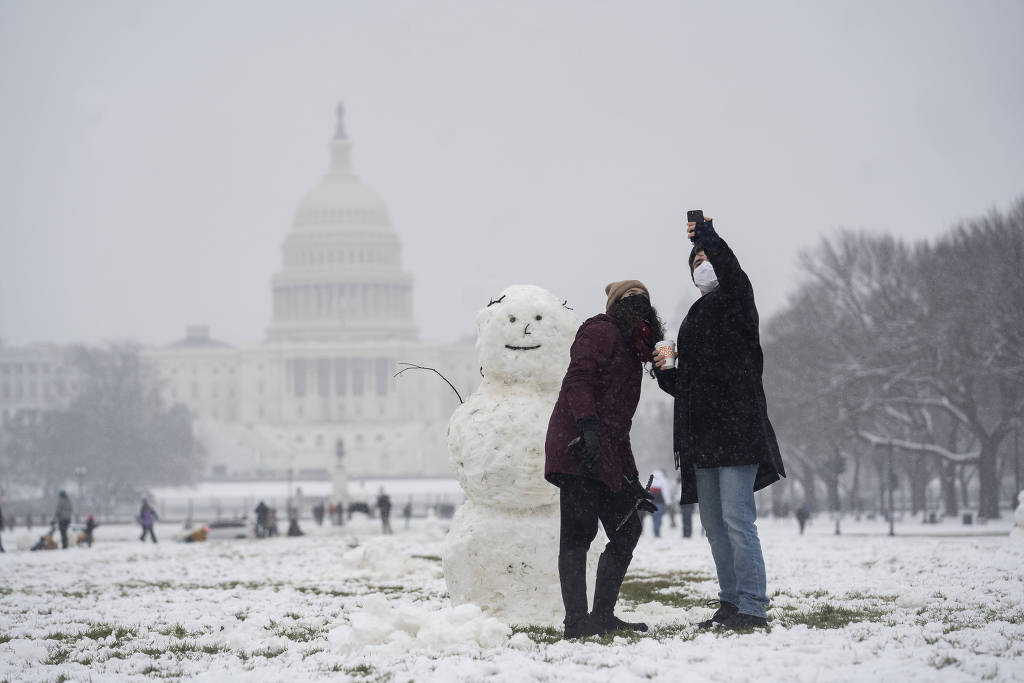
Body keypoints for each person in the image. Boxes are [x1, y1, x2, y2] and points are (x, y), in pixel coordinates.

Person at [653, 215, 786, 631]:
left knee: (737, 519)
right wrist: (665, 371)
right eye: (695, 262)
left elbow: (730, 267)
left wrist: (707, 237)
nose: (702, 266)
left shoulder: (736, 299)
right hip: (703, 435)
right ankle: (730, 602)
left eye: (707, 259)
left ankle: (752, 607)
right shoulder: (696, 314)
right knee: (713, 525)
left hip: (738, 428)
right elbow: (690, 386)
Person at [545, 280, 662, 639]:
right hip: (578, 444)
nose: (638, 303)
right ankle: (576, 623)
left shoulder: (633, 348)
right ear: (615, 305)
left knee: (628, 529)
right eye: (630, 298)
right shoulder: (600, 330)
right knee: (578, 534)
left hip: (608, 450)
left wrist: (633, 479)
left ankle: (603, 615)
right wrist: (588, 427)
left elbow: (621, 426)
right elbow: (577, 379)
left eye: (643, 298)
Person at [649, 469, 672, 538]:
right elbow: (665, 492)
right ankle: (657, 533)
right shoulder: (663, 479)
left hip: (652, 502)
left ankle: (655, 532)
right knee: (659, 518)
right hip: (660, 502)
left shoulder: (651, 479)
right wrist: (668, 502)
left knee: (654, 518)